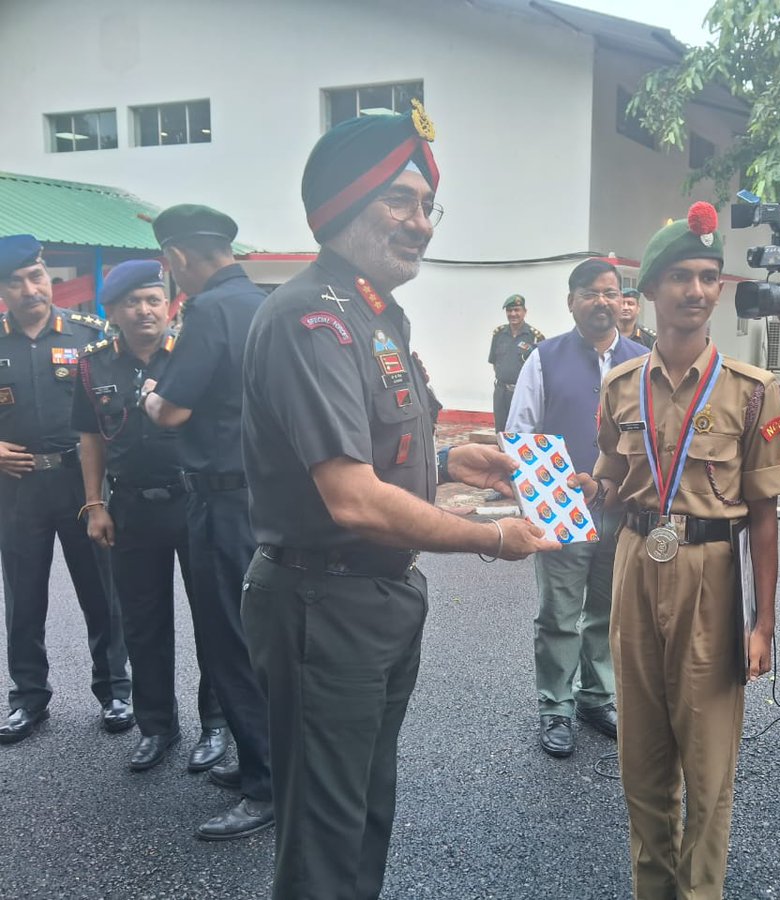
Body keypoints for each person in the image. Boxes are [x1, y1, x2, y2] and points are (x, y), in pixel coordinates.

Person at [239, 104, 559, 900]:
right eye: (401, 201)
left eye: (428, 206)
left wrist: (452, 460)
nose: (421, 223)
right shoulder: (310, 318)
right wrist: (490, 539)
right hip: (323, 604)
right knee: (324, 840)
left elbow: (371, 456)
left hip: (374, 599)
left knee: (364, 817)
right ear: (345, 203)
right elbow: (351, 499)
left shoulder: (375, 316)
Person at [584, 202, 780, 899]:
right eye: (680, 276)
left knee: (707, 767)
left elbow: (765, 515)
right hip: (635, 564)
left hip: (711, 573)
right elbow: (611, 477)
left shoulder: (752, 392)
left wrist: (763, 624)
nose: (696, 291)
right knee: (641, 760)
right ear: (649, 289)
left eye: (707, 277)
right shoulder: (619, 387)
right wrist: (585, 489)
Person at [140, 205, 272, 841]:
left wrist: (147, 394)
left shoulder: (209, 311)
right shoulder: (264, 304)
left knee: (228, 640)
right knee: (258, 637)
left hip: (219, 503)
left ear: (177, 259)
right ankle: (260, 758)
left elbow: (171, 411)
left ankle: (265, 784)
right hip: (264, 498)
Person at [73, 259, 227, 773]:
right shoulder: (93, 366)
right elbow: (90, 438)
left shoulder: (192, 354)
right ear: (113, 312)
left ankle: (217, 723)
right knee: (143, 623)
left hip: (194, 502)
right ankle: (157, 726)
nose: (145, 310)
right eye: (132, 302)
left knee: (213, 618)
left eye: (154, 300)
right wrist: (95, 504)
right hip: (132, 508)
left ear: (169, 305)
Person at [506, 258, 647, 757]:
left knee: (608, 612)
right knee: (559, 614)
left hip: (623, 509)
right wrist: (539, 502)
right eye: (591, 293)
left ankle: (595, 697)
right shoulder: (543, 358)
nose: (602, 301)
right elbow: (522, 433)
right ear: (572, 302)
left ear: (623, 301)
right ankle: (556, 707)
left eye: (610, 292)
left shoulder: (643, 360)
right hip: (561, 507)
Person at [0, 235, 131, 744]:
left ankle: (115, 691)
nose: (30, 289)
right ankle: (28, 698)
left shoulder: (88, 336)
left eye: (36, 277)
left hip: (82, 484)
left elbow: (118, 405)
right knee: (23, 597)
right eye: (16, 282)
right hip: (17, 488)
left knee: (101, 591)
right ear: (3, 291)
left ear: (47, 278)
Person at [488, 294, 544, 431]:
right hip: (501, 392)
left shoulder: (534, 337)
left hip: (522, 393)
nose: (513, 314)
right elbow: (495, 363)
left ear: (525, 312)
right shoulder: (499, 334)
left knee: (520, 431)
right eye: (509, 310)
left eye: (517, 310)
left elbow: (540, 369)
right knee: (500, 431)